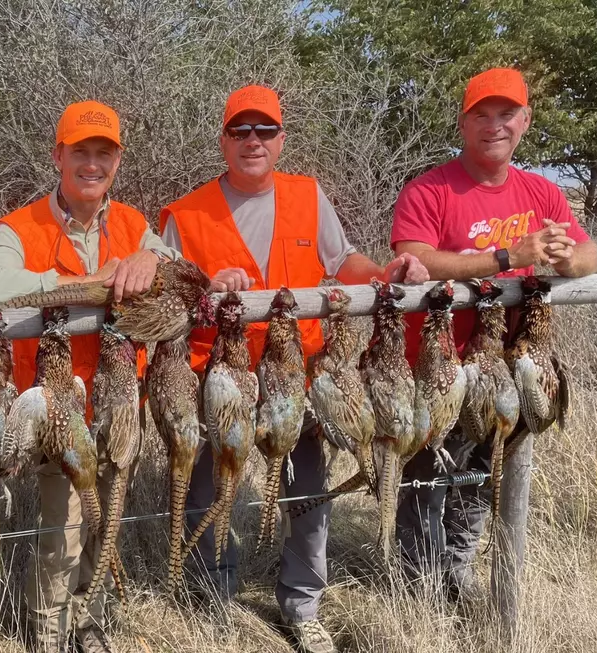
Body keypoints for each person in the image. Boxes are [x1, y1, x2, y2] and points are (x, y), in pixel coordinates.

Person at [159, 84, 429, 653]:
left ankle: (303, 606)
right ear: (223, 140)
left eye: (264, 131)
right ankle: (213, 603)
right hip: (219, 377)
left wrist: (385, 272)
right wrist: (208, 288)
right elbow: (167, 294)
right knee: (211, 490)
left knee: (307, 490)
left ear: (281, 141)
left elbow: (342, 261)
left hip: (296, 374)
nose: (252, 141)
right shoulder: (186, 214)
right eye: (240, 131)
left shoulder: (308, 196)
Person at [390, 67, 597, 598]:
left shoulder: (541, 192)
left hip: (511, 368)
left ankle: (456, 581)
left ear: (525, 121)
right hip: (438, 366)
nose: (494, 126)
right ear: (463, 123)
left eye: (506, 114)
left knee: (482, 481)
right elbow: (413, 255)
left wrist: (566, 259)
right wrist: (507, 257)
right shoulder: (430, 190)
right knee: (427, 481)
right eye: (481, 115)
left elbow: (589, 250)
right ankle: (418, 593)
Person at [0, 100, 179, 653]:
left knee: (105, 521)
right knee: (62, 529)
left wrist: (152, 264)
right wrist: (94, 279)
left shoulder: (136, 224)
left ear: (117, 161)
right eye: (81, 152)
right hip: (58, 405)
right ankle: (47, 633)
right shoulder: (20, 227)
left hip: (117, 403)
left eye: (104, 153)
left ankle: (86, 620)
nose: (92, 164)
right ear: (58, 156)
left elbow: (178, 270)